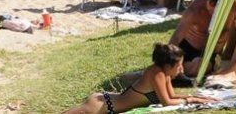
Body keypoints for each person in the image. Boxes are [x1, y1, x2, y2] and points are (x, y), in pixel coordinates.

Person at [62, 43, 216, 114]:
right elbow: (166, 102)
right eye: (179, 66)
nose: (182, 69)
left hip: (107, 100)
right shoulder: (157, 74)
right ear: (168, 65)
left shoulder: (164, 73)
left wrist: (196, 97)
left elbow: (172, 96)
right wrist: (192, 100)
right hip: (102, 106)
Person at [170, 0, 234, 76]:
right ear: (210, 3)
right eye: (221, 8)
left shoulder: (233, 9)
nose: (224, 11)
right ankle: (178, 71)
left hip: (211, 54)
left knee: (202, 65)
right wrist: (173, 62)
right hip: (189, 50)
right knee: (197, 65)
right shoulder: (195, 11)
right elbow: (176, 38)